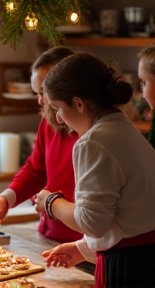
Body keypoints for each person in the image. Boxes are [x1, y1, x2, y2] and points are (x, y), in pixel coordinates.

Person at [36, 52, 155, 288]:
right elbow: (126, 217)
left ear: (79, 104)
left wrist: (51, 202)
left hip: (128, 266)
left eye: (58, 108)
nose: (58, 119)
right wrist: (83, 249)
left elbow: (91, 222)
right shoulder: (127, 131)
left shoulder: (92, 142)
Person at [0, 47, 83, 243]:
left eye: (42, 92)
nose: (39, 100)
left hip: (83, 242)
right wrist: (6, 197)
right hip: (50, 234)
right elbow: (36, 170)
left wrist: (51, 203)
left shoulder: (90, 132)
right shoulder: (48, 122)